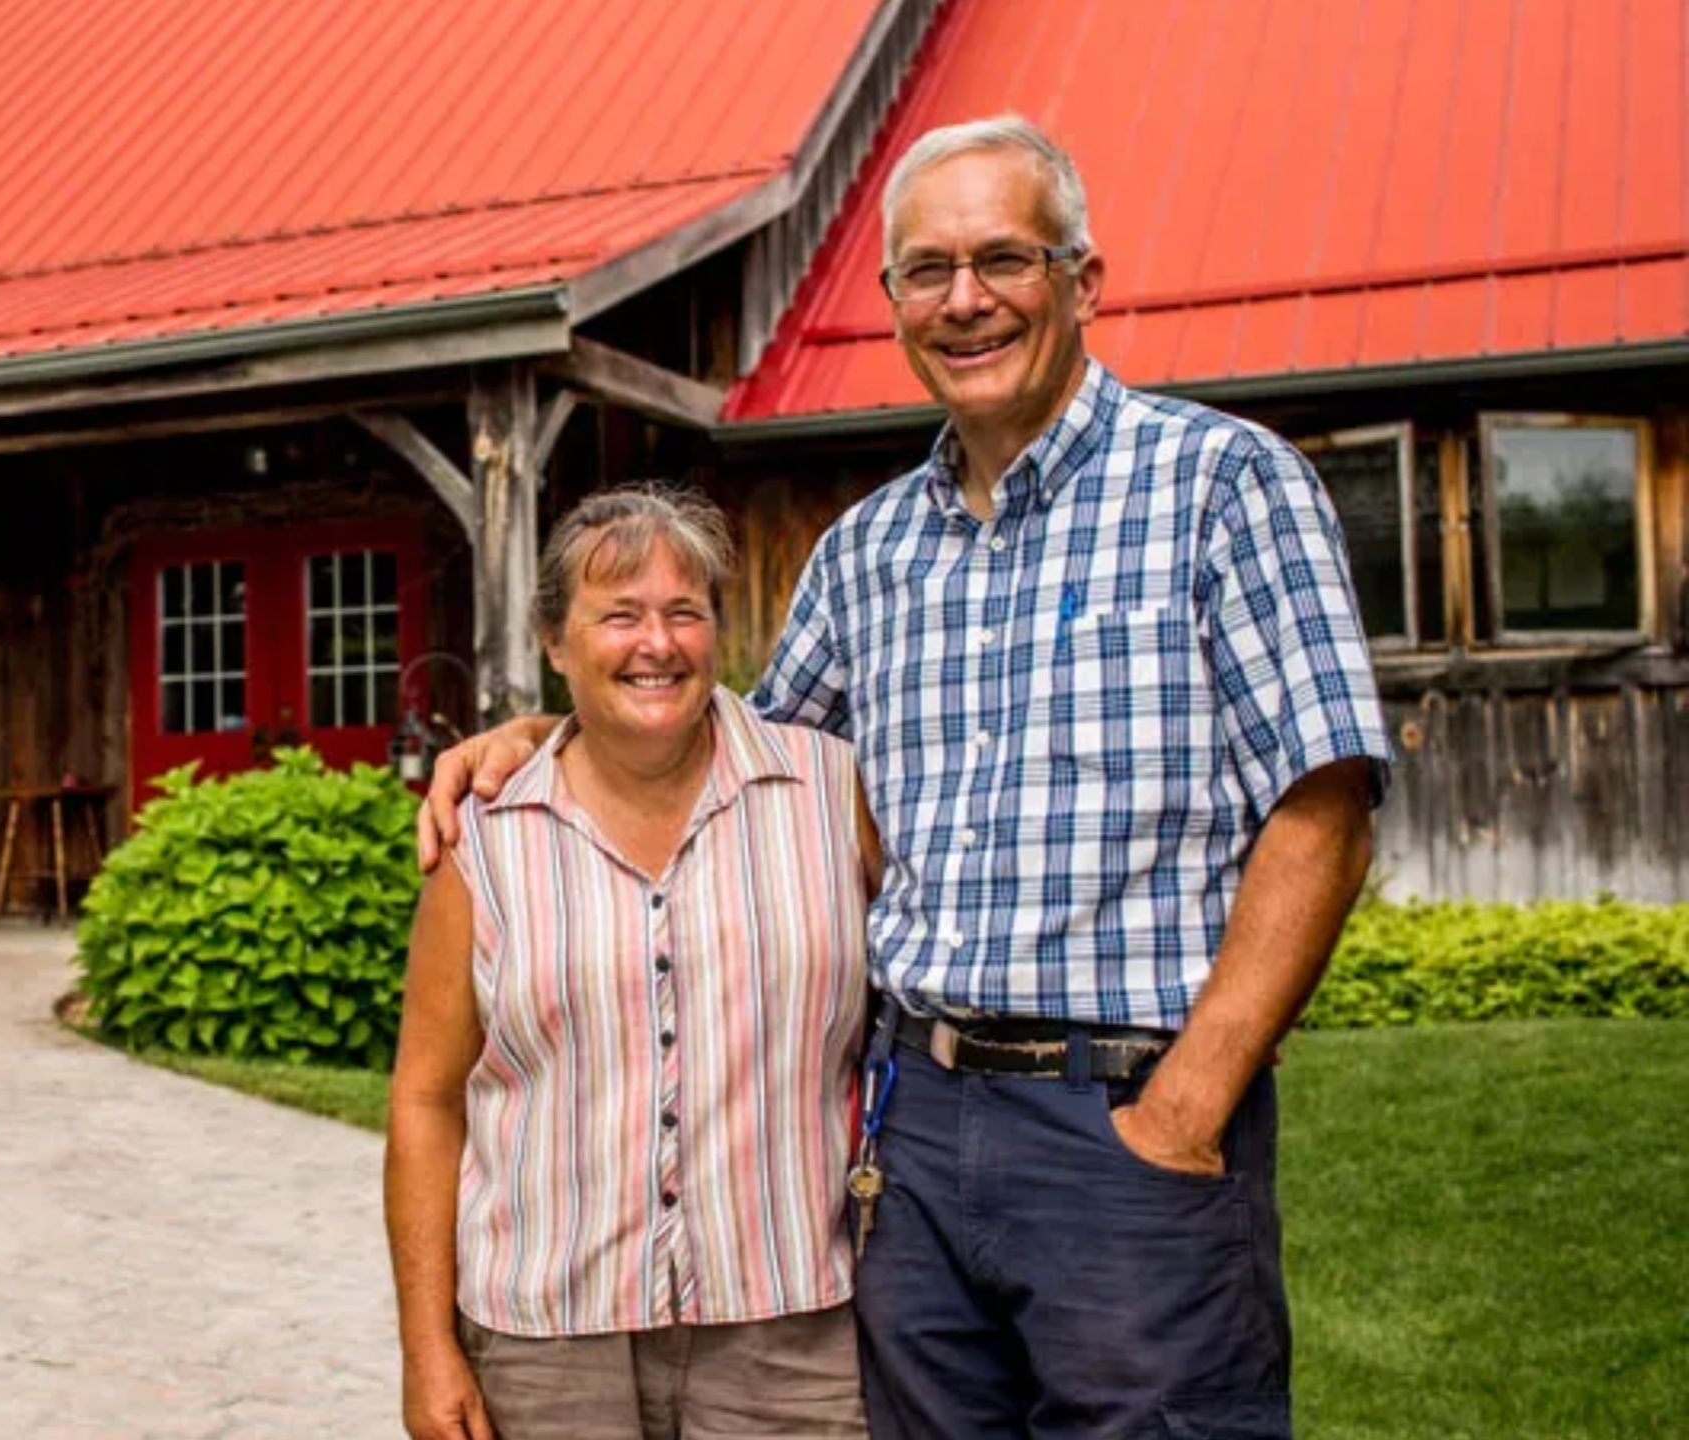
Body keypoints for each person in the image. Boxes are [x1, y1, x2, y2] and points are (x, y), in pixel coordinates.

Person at [417, 115, 1392, 1440]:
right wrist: (550, 735)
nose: (966, 300)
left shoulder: (1220, 484)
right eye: (927, 271)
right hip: (914, 1135)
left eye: (1005, 259)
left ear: (1084, 281)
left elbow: (1325, 805)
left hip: (1124, 1114)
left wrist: (1187, 1105)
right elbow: (723, 748)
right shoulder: (868, 554)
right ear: (892, 306)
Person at [384, 487, 883, 1440]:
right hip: (543, 1348)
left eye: (683, 612)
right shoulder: (484, 841)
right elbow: (424, 1099)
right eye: (617, 615)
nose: (655, 643)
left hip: (790, 1336)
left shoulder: (831, 791)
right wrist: (426, 1347)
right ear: (555, 645)